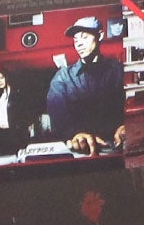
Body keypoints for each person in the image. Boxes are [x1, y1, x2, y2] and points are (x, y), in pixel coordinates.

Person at [44, 16, 125, 154]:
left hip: (119, 149)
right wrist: (75, 134)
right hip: (81, 153)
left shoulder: (119, 70)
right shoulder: (63, 78)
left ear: (100, 36)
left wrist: (125, 126)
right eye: (76, 40)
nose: (79, 44)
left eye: (84, 37)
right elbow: (58, 121)